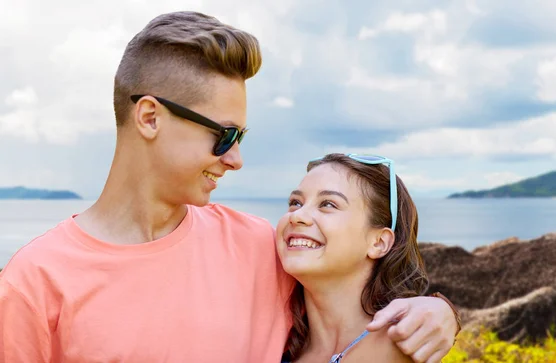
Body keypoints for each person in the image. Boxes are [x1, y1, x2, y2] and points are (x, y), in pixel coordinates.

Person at [0, 11, 459, 363]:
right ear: (150, 117)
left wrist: (441, 312)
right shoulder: (33, 284)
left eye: (240, 139)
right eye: (224, 136)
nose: (235, 159)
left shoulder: (263, 248)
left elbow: (355, 291)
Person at [278, 153, 441, 362]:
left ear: (379, 242)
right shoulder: (275, 346)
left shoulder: (403, 351)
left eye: (328, 204)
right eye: (296, 202)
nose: (297, 216)